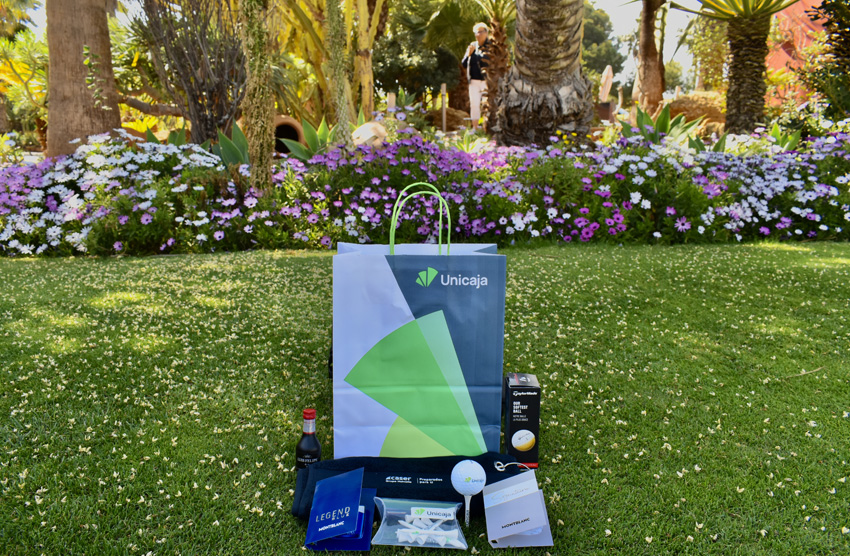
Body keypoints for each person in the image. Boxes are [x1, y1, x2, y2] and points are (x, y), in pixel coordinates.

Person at [461, 23, 490, 131]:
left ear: (486, 33)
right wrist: (469, 54)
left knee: (487, 104)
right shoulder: (472, 46)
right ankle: (475, 127)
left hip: (487, 81)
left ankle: (487, 126)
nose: (478, 35)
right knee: (474, 104)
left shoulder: (491, 46)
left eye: (480, 32)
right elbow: (463, 64)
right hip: (474, 81)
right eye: (476, 32)